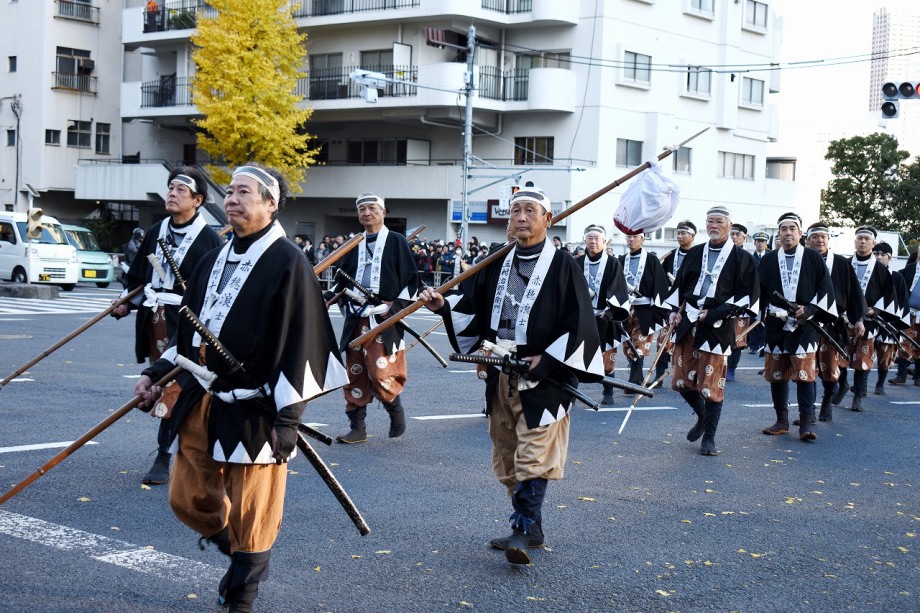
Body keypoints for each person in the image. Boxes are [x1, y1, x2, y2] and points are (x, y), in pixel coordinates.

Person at [133, 164, 348, 612]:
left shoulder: (288, 261)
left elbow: (302, 345)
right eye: (229, 191)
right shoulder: (215, 257)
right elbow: (188, 332)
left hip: (257, 406)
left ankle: (242, 596)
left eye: (244, 192)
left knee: (254, 509)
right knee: (187, 496)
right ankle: (235, 554)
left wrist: (289, 420)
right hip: (204, 397)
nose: (231, 199)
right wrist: (156, 374)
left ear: (271, 204)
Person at [419, 185, 603, 566]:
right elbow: (471, 305)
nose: (520, 217)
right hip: (501, 371)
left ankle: (521, 528)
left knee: (535, 453)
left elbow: (580, 322)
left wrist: (547, 360)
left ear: (547, 219)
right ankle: (533, 527)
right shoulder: (497, 260)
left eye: (530, 211)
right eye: (515, 210)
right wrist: (443, 306)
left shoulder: (564, 265)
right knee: (508, 454)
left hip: (544, 376)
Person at [112, 167, 223, 485]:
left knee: (174, 385)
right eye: (170, 188)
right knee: (160, 382)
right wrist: (126, 302)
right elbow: (139, 276)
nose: (172, 193)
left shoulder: (209, 240)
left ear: (198, 200)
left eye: (180, 190)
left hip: (185, 322)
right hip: (154, 319)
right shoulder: (156, 231)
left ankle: (164, 455)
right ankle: (181, 449)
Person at [664, 207, 759, 455]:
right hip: (689, 322)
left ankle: (709, 437)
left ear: (730, 225)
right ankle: (702, 415)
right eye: (710, 221)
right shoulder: (695, 253)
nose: (713, 226)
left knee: (710, 386)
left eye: (719, 221)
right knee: (681, 381)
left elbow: (747, 295)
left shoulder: (742, 258)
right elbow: (679, 287)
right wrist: (673, 312)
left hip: (718, 326)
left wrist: (716, 313)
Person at [331, 192, 419, 444]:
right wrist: (331, 295)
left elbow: (411, 279)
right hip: (357, 315)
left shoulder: (396, 241)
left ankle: (394, 408)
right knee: (354, 371)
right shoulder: (353, 243)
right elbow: (340, 280)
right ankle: (357, 428)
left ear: (383, 212)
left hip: (384, 316)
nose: (367, 213)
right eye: (362, 209)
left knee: (381, 370)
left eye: (372, 208)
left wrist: (393, 307)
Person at [759, 212, 837, 441]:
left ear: (801, 233)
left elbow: (825, 288)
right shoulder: (769, 259)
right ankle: (781, 420)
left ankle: (805, 423)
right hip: (775, 324)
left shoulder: (813, 257)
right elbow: (759, 290)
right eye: (783, 229)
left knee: (805, 375)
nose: (788, 233)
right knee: (776, 374)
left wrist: (810, 309)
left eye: (792, 228)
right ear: (778, 233)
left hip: (805, 324)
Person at [803, 222, 865, 423]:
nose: (819, 240)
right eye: (815, 237)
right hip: (806, 321)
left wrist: (858, 319)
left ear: (828, 239)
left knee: (830, 368)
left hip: (833, 322)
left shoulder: (841, 263)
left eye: (823, 237)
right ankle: (809, 411)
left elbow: (854, 292)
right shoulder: (802, 260)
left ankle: (827, 402)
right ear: (808, 240)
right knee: (807, 366)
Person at [838, 227, 901, 412]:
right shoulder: (844, 264)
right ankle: (842, 384)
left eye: (867, 239)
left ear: (873, 243)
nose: (863, 242)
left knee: (863, 360)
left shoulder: (880, 269)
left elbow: (889, 295)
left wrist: (877, 309)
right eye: (860, 238)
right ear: (855, 241)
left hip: (869, 321)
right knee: (840, 357)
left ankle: (858, 396)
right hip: (845, 320)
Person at [575, 224, 630, 405]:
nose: (593, 241)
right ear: (585, 240)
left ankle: (608, 391)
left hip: (605, 316)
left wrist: (610, 311)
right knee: (576, 356)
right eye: (589, 238)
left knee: (606, 358)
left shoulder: (613, 263)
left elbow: (619, 289)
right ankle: (572, 393)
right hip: (582, 318)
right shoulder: (577, 262)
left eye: (597, 238)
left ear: (605, 242)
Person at [619, 232, 670, 385]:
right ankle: (637, 377)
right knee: (627, 342)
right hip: (625, 307)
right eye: (629, 237)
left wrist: (658, 307)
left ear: (642, 239)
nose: (631, 239)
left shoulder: (652, 260)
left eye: (635, 237)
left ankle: (634, 380)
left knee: (639, 343)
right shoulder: (621, 260)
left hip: (645, 308)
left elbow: (660, 283)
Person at [656, 220, 697, 380]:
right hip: (671, 303)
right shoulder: (671, 256)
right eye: (678, 233)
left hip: (691, 304)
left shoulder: (700, 254)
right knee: (663, 339)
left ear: (693, 235)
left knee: (688, 341)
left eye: (683, 233)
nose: (679, 236)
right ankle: (659, 374)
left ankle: (687, 376)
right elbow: (661, 279)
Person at [871, 242, 905, 396]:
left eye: (882, 254)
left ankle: (880, 383)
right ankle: (860, 386)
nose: (879, 257)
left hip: (888, 323)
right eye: (876, 254)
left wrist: (897, 323)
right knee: (863, 355)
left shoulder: (897, 277)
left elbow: (902, 301)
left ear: (890, 257)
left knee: (885, 357)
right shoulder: (869, 274)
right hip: (869, 320)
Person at [891, 249, 920, 386]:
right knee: (905, 342)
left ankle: (918, 376)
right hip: (909, 312)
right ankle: (901, 374)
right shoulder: (909, 269)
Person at [725, 223, 750, 382]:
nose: (734, 237)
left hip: (741, 305)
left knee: (737, 340)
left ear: (744, 238)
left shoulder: (748, 258)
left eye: (737, 235)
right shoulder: (722, 254)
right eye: (732, 234)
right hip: (722, 303)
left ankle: (731, 369)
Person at [747, 231, 770, 353]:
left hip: (767, 292)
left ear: (766, 243)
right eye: (758, 241)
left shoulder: (770, 257)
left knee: (766, 318)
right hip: (755, 292)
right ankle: (753, 345)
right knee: (753, 318)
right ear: (755, 243)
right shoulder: (750, 257)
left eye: (763, 241)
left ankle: (763, 343)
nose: (760, 244)